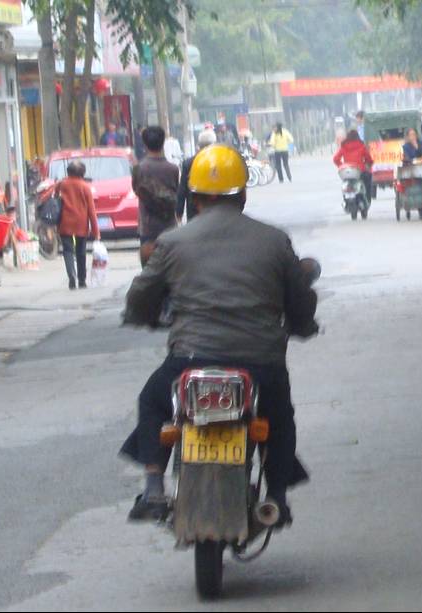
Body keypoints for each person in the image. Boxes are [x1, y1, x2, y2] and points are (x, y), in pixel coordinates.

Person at [121, 145, 319, 523]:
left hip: (190, 361)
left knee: (152, 400)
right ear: (243, 194)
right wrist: (303, 325)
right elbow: (299, 298)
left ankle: (153, 486)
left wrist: (140, 316)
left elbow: (142, 294)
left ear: (194, 199)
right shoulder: (273, 241)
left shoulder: (171, 243)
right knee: (279, 417)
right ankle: (275, 496)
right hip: (261, 364)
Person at [133, 126, 181, 265]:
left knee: (149, 271)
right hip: (169, 226)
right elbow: (175, 192)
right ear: (163, 142)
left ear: (144, 143)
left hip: (148, 228)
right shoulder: (173, 169)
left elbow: (136, 190)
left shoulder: (139, 169)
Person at [55, 160, 100, 290]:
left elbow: (54, 195)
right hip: (81, 223)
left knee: (68, 251)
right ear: (82, 173)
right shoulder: (85, 187)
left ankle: (71, 276)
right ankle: (82, 280)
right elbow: (91, 211)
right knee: (81, 252)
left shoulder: (62, 184)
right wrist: (96, 232)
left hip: (65, 222)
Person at [177, 129, 218, 222]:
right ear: (214, 144)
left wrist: (179, 212)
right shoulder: (220, 163)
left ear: (199, 145)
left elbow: (182, 190)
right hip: (216, 211)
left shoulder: (188, 163)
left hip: (194, 212)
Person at [334, 129, 374, 201]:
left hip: (347, 172)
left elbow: (336, 159)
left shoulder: (344, 146)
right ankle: (368, 198)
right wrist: (369, 164)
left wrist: (342, 166)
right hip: (360, 171)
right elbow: (368, 158)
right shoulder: (361, 146)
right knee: (368, 179)